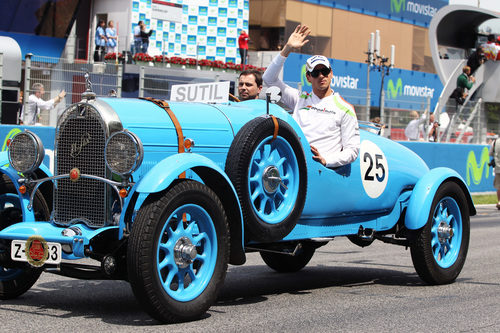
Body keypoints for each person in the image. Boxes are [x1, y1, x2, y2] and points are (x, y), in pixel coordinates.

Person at [262, 24, 360, 168]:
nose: (321, 76)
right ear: (308, 77)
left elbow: (352, 150)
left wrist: (326, 160)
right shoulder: (299, 98)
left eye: (325, 71)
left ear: (331, 74)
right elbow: (268, 79)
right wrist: (287, 49)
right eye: (315, 73)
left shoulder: (345, 108)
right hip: (294, 168)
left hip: (323, 171)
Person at [489, 136, 500, 209]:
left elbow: (490, 153)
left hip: (498, 167)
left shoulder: (495, 142)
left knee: (498, 185)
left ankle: (499, 201)